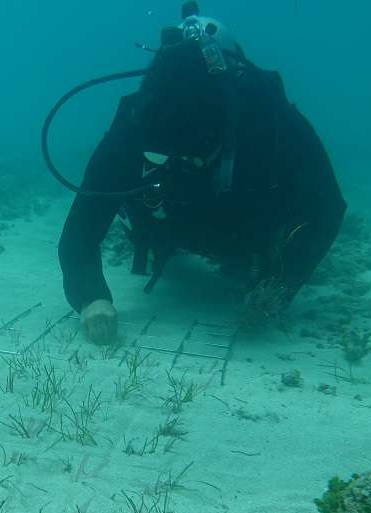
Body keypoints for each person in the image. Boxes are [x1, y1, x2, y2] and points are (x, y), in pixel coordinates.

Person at [55, 3, 346, 345]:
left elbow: (326, 208)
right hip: (164, 224)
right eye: (163, 150)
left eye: (192, 154)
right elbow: (84, 221)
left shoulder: (269, 121)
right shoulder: (139, 118)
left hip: (245, 232)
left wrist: (277, 285)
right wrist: (90, 296)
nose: (179, 160)